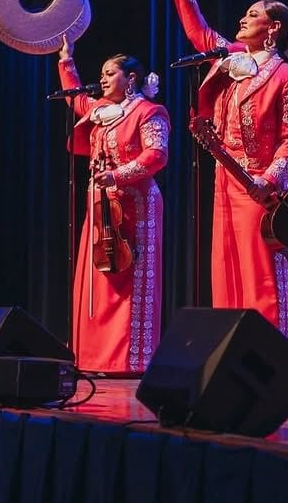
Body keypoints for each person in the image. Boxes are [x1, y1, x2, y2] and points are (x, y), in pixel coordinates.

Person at [172, 0, 288, 343]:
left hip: (261, 187)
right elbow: (199, 33)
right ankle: (231, 349)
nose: (242, 20)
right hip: (225, 181)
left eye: (253, 15)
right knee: (226, 264)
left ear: (274, 28)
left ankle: (274, 350)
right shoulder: (232, 60)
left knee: (261, 268)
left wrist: (268, 180)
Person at [56, 38, 170, 376]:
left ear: (131, 78)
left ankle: (130, 359)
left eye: (110, 74)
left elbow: (157, 155)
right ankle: (94, 357)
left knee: (130, 281)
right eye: (102, 74)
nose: (103, 79)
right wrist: (66, 61)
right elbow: (76, 99)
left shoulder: (150, 112)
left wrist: (117, 175)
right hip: (102, 205)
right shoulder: (102, 112)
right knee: (100, 282)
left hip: (137, 205)